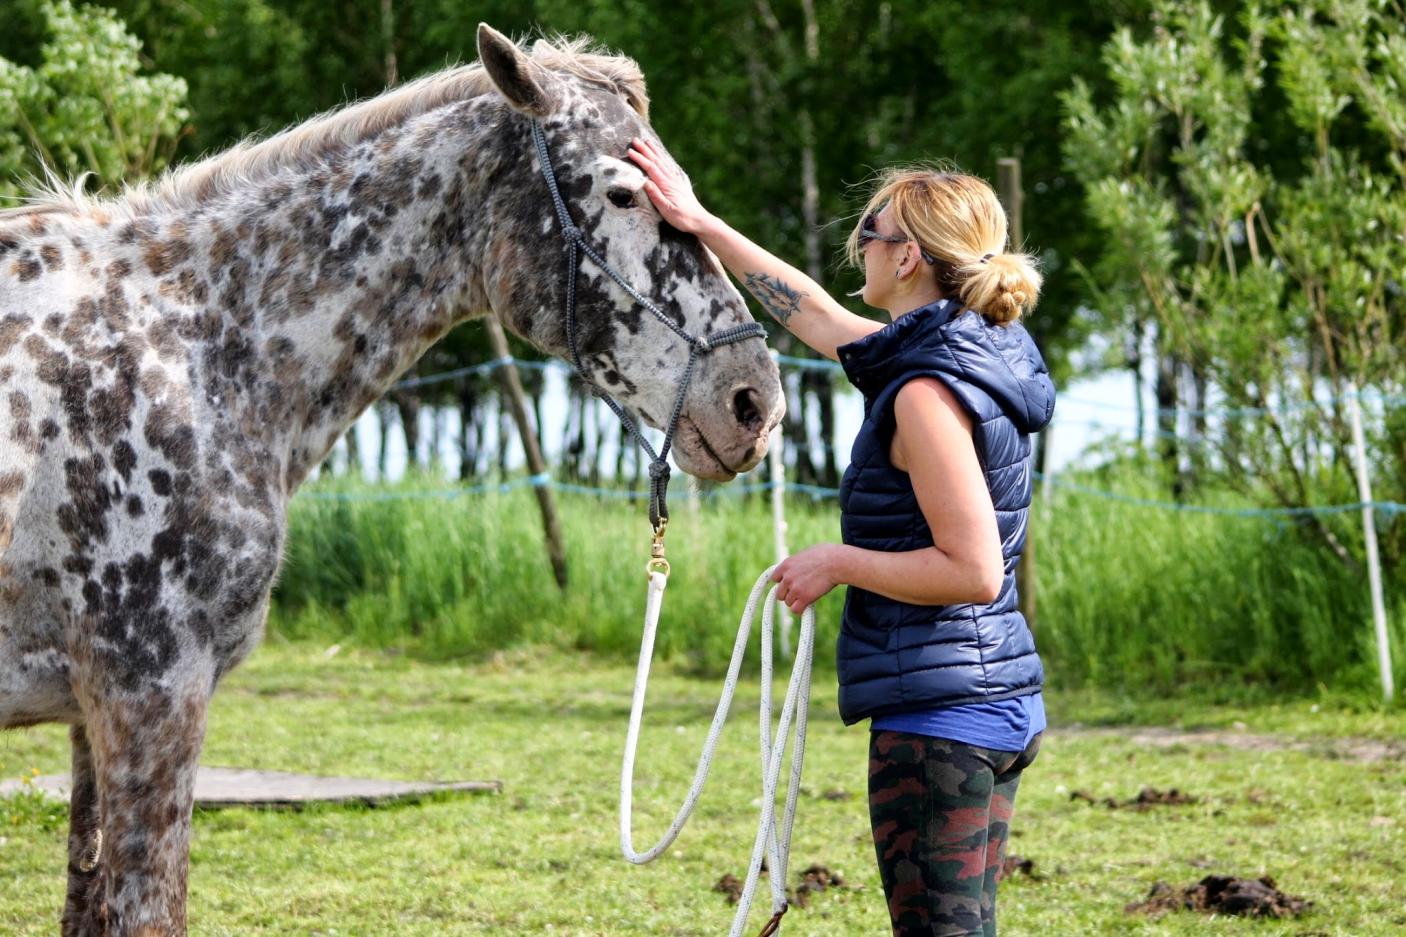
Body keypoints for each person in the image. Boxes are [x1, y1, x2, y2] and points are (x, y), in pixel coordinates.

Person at [628, 139, 1054, 937]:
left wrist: (836, 562)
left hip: (942, 716)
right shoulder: (974, 345)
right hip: (988, 696)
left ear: (909, 257)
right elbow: (817, 315)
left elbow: (972, 568)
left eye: (872, 228)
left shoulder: (926, 391)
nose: (860, 242)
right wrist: (701, 223)